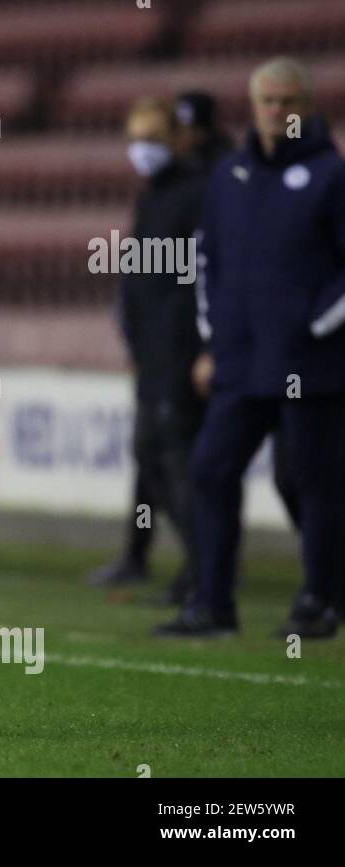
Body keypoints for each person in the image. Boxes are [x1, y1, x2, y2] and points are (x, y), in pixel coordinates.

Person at [157, 58, 345, 639]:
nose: (278, 111)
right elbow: (208, 259)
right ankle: (214, 605)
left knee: (309, 480)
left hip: (307, 364)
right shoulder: (232, 174)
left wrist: (314, 328)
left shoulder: (330, 175)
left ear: (308, 107)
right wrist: (212, 344)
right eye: (267, 101)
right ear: (254, 105)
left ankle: (321, 597)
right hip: (239, 361)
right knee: (212, 470)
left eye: (289, 101)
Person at [86, 98, 209, 607]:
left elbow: (198, 281)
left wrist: (203, 348)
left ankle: (207, 571)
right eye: (134, 137)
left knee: (176, 462)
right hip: (153, 356)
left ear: (177, 139)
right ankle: (198, 568)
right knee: (155, 459)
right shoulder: (154, 196)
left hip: (180, 354)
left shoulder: (196, 195)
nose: (141, 149)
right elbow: (139, 279)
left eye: (151, 137)